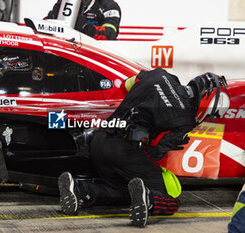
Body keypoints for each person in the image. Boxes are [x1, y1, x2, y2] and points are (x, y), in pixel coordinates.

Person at [58, 68, 230, 227]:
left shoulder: (160, 74)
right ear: (208, 103)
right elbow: (157, 152)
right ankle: (149, 199)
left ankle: (80, 191)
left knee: (124, 190)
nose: (209, 118)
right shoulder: (186, 120)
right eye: (212, 114)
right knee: (170, 197)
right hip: (128, 149)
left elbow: (127, 84)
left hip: (99, 141)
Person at [45, 0, 121, 40]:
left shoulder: (109, 6)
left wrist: (87, 28)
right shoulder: (64, 2)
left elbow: (110, 34)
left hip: (95, 52)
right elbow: (47, 22)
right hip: (66, 49)